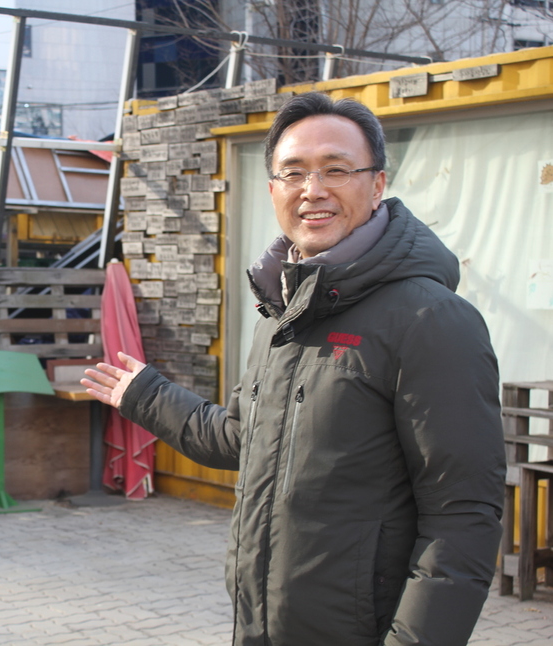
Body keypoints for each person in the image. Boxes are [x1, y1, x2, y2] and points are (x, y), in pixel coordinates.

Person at [82, 92, 505, 646]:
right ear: (273, 190)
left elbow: (463, 514)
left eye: (337, 170)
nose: (314, 191)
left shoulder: (431, 320)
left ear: (377, 184)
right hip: (265, 623)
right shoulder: (284, 310)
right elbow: (243, 439)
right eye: (295, 173)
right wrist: (146, 394)